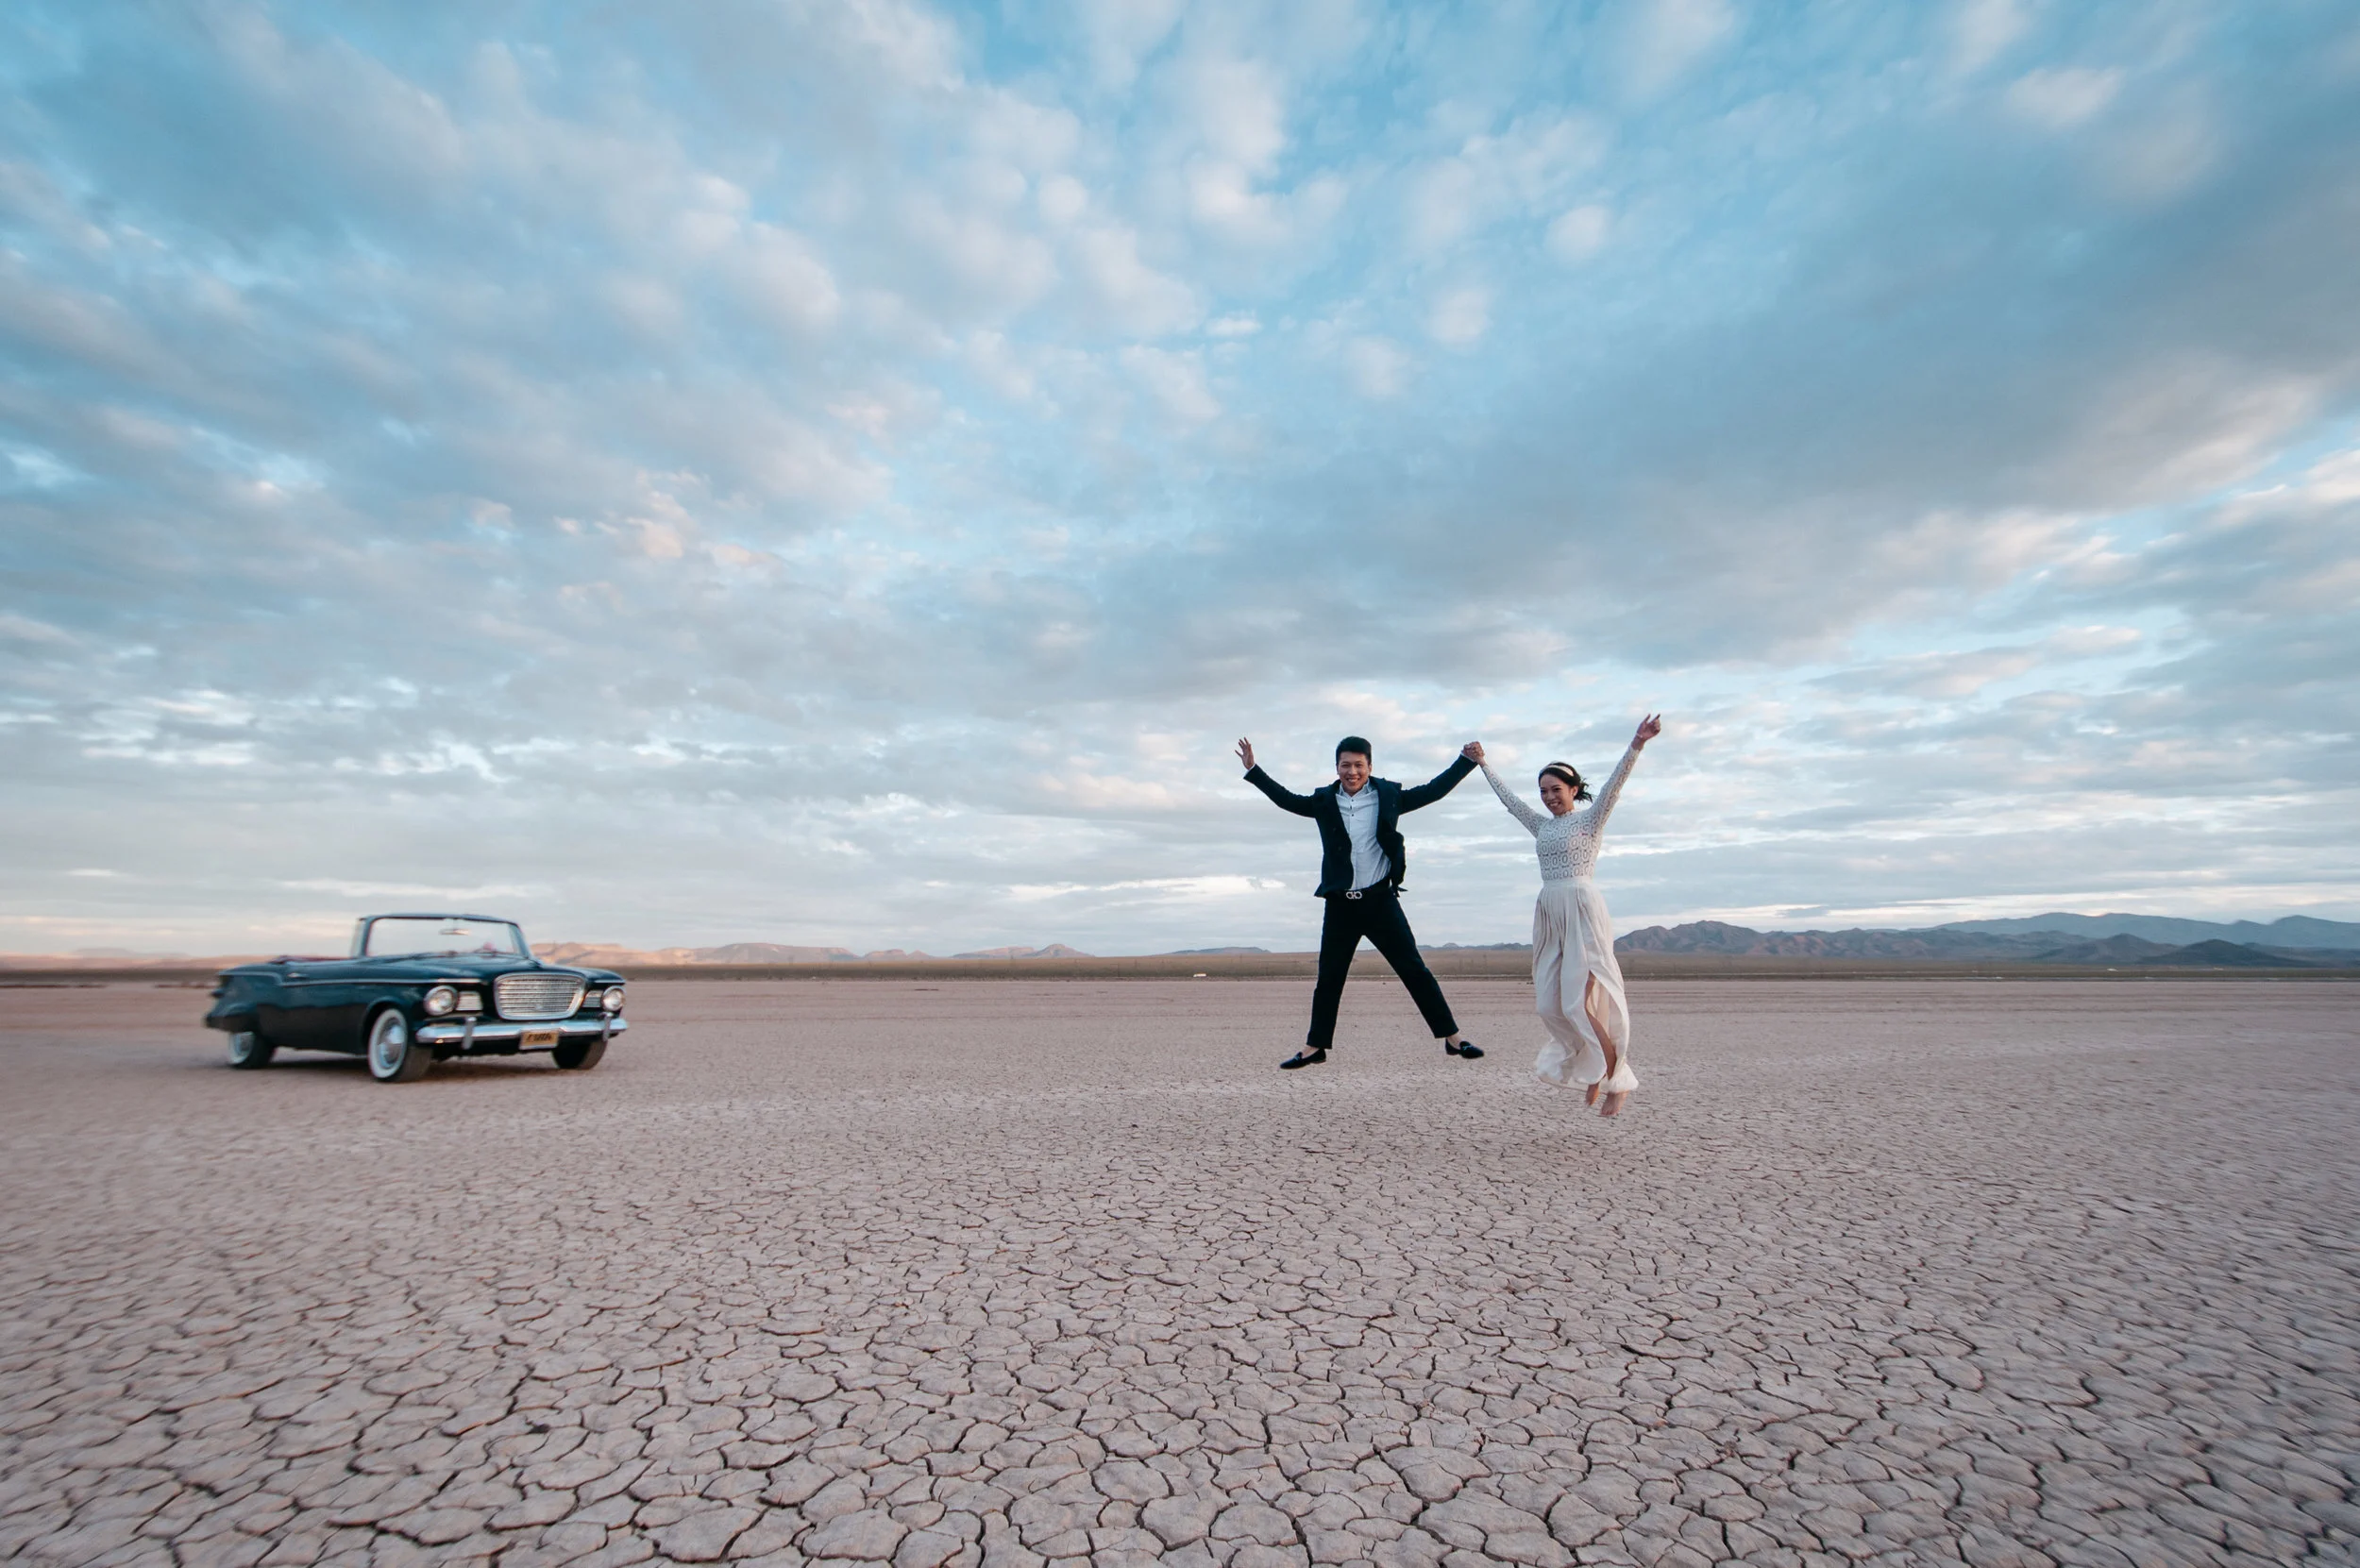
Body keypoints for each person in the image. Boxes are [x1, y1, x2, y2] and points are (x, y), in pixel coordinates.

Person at [1236, 733, 1486, 1071]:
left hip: (1379, 902)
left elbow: (1433, 791)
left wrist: (1465, 762)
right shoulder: (1324, 801)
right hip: (1340, 905)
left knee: (1414, 970)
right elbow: (1287, 800)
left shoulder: (1389, 797)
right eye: (1345, 765)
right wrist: (1253, 770)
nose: (1351, 772)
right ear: (1336, 767)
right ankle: (1314, 1046)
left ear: (1369, 766)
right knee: (1329, 977)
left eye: (1358, 765)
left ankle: (1453, 1038)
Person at [1470, 714, 1661, 1117]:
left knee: (1578, 1004)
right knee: (1549, 1005)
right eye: (1543, 791)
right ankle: (1591, 1067)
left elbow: (1615, 784)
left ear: (1574, 790)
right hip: (1550, 913)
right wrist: (1483, 764)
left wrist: (1637, 744)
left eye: (1556, 789)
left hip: (1582, 910)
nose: (1549, 797)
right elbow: (1511, 803)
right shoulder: (1541, 827)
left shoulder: (1591, 820)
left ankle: (1614, 1079)